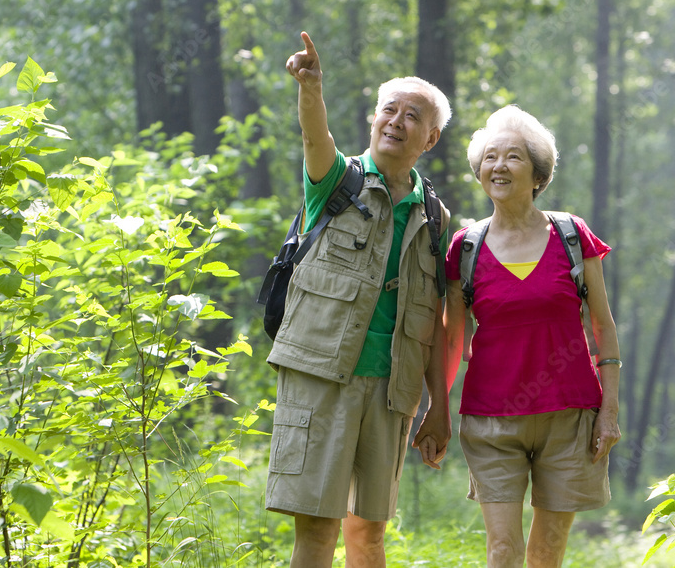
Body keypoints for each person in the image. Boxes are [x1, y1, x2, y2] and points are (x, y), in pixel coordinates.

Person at [265, 31, 453, 568]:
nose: (396, 120)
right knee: (318, 532)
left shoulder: (433, 219)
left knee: (369, 535)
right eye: (388, 110)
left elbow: (435, 323)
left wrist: (439, 407)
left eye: (411, 115)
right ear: (373, 121)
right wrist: (311, 87)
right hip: (322, 379)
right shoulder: (336, 181)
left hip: (391, 394)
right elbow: (313, 136)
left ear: (431, 137)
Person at [442, 105, 622, 568]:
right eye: (490, 157)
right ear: (479, 170)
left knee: (547, 553)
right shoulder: (465, 247)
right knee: (503, 551)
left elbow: (602, 325)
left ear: (538, 173)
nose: (499, 166)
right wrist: (434, 410)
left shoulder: (571, 235)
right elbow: (450, 339)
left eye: (514, 157)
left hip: (569, 415)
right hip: (491, 420)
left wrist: (609, 409)